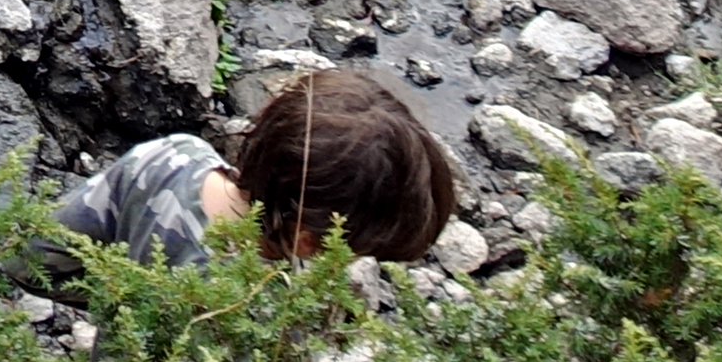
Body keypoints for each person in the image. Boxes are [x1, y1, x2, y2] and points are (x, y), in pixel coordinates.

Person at [55, 69, 462, 267]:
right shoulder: (247, 308)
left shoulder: (175, 154)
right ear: (305, 241)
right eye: (351, 253)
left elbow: (47, 242)